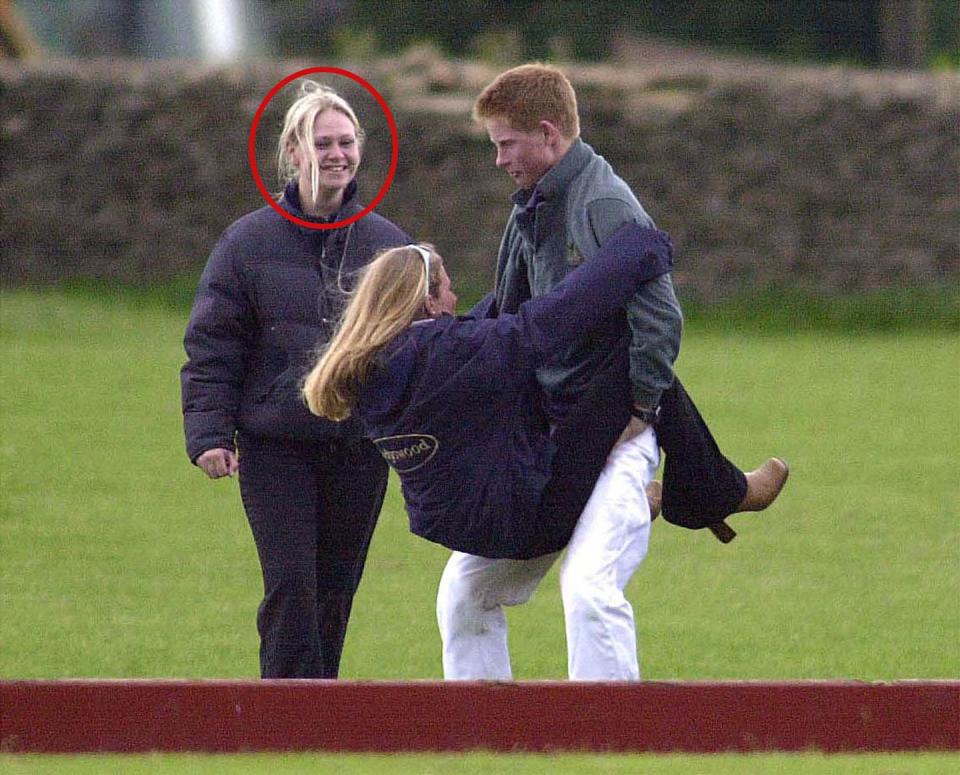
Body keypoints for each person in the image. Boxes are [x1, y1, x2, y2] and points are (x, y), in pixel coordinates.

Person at [424, 63, 790, 681]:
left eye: (505, 144)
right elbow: (510, 315)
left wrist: (643, 411)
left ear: (547, 134)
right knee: (464, 593)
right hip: (550, 444)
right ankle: (478, 744)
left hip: (621, 436)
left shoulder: (603, 202)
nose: (498, 160)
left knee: (589, 590)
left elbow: (661, 317)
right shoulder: (530, 209)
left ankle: (613, 745)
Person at [304, 227, 678, 677]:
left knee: (462, 598)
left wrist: (525, 241)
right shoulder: (445, 354)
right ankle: (706, 490)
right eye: (448, 287)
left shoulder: (371, 368)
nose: (457, 295)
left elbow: (484, 324)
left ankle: (478, 729)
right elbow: (541, 324)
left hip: (467, 525)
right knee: (618, 368)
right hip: (520, 511)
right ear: (428, 303)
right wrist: (637, 249)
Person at [180, 80, 409, 679]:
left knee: (335, 591)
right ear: (293, 153)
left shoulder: (389, 246)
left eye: (347, 141)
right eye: (321, 142)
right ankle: (280, 717)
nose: (337, 153)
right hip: (275, 444)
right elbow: (213, 345)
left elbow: (417, 349)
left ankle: (318, 718)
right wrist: (209, 433)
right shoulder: (246, 242)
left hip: (359, 449)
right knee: (290, 587)